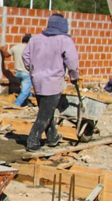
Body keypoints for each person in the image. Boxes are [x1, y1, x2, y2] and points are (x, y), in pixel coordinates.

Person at [22, 13, 79, 152]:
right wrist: (74, 74)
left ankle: (52, 137)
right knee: (45, 114)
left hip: (37, 79)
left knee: (46, 110)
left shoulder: (35, 39)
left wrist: (33, 69)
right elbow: (71, 60)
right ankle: (33, 141)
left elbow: (25, 56)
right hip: (53, 81)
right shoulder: (64, 40)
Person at [0, 34, 33, 106]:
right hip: (26, 73)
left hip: (18, 73)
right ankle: (16, 105)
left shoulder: (16, 47)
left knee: (25, 89)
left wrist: (3, 49)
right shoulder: (30, 48)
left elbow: (6, 54)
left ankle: (29, 101)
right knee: (25, 91)